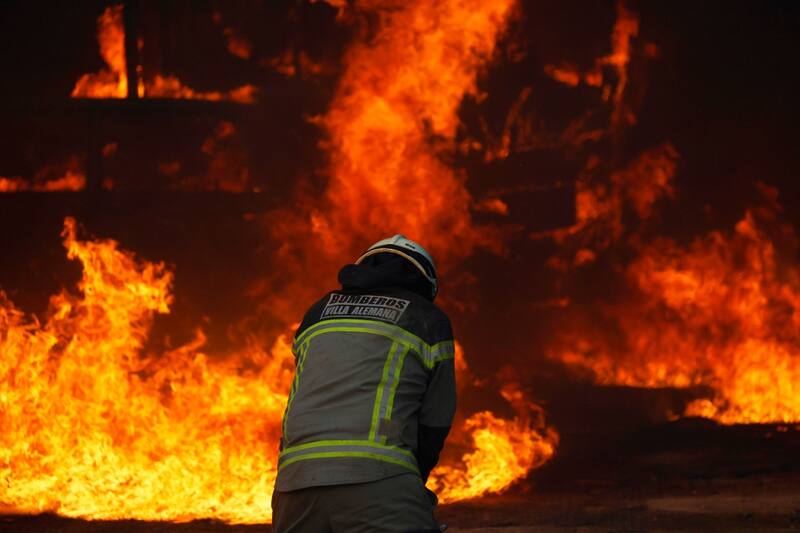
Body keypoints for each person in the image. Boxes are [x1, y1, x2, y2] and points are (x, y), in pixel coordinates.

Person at [272, 235, 456, 533]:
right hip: (377, 478)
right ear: (425, 283)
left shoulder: (316, 314)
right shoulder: (427, 318)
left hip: (293, 485)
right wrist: (409, 480)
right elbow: (436, 418)